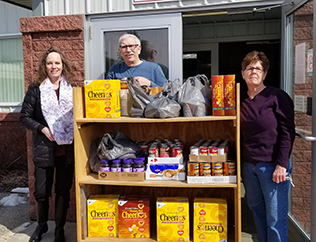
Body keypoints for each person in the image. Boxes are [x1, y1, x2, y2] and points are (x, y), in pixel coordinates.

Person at [20, 46, 75, 242]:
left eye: (57, 63)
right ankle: (42, 225)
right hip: (45, 148)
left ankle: (59, 229)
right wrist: (41, 128)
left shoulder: (72, 88)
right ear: (45, 65)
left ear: (63, 65)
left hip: (66, 149)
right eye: (49, 63)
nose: (53, 66)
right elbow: (24, 116)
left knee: (62, 191)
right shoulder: (36, 88)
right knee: (42, 192)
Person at [240, 50, 295, 242]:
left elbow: (288, 132)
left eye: (258, 68)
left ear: (264, 74)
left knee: (275, 217)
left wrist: (282, 164)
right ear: (243, 73)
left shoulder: (277, 97)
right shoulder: (240, 101)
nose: (253, 71)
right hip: (249, 166)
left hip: (273, 166)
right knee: (257, 211)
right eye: (249, 67)